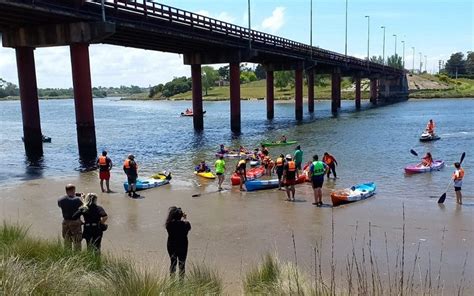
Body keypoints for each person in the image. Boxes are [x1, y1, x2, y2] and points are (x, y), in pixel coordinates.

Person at [165, 206, 191, 278]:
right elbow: (188, 226)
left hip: (171, 245)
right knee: (182, 264)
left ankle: (172, 281)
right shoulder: (185, 224)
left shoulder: (168, 225)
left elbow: (174, 223)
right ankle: (181, 283)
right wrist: (184, 218)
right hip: (182, 246)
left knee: (173, 263)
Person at [57, 184, 83, 251]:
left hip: (65, 221)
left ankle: (67, 255)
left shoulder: (61, 199)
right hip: (75, 222)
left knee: (67, 240)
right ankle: (77, 256)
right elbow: (83, 207)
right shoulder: (77, 200)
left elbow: (60, 205)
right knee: (77, 241)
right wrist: (82, 197)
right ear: (73, 190)